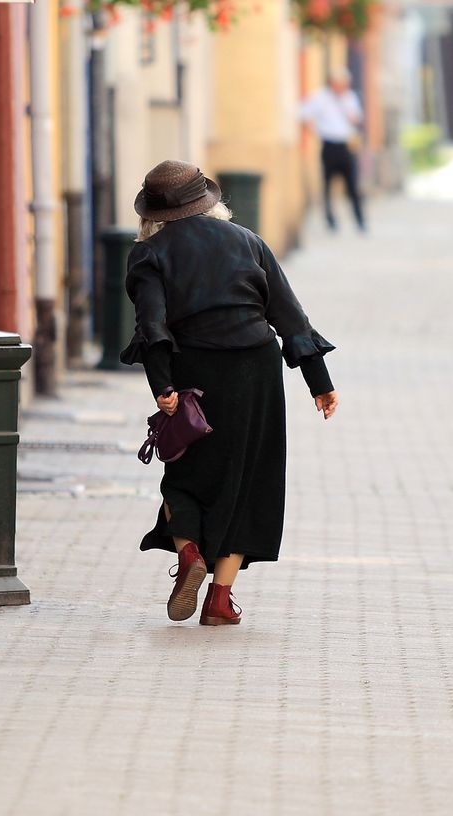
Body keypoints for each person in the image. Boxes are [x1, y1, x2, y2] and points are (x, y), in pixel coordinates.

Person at [121, 160, 338, 627]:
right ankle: (220, 600)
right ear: (208, 201)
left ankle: (190, 553)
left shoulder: (149, 254)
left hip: (193, 377)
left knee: (184, 479)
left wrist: (163, 386)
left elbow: (152, 326)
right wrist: (319, 382)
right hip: (256, 373)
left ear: (152, 213)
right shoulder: (249, 242)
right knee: (247, 482)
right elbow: (289, 316)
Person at [299, 69, 365, 232]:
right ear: (333, 83)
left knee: (352, 185)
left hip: (346, 145)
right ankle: (330, 221)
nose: (343, 87)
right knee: (327, 186)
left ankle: (360, 220)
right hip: (328, 144)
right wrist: (315, 130)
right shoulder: (321, 98)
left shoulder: (350, 97)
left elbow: (357, 118)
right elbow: (302, 114)